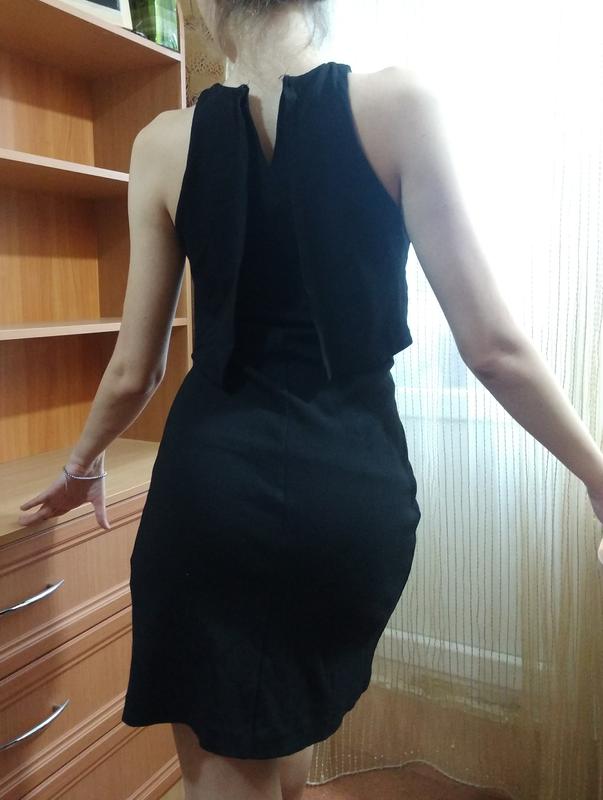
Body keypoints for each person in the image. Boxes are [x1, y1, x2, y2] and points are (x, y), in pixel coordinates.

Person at [17, 1, 603, 798]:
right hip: (349, 493)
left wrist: (82, 464)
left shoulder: (160, 143)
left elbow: (134, 372)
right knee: (284, 726)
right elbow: (494, 351)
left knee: (229, 757)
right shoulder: (400, 105)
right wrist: (594, 473)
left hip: (211, 497)